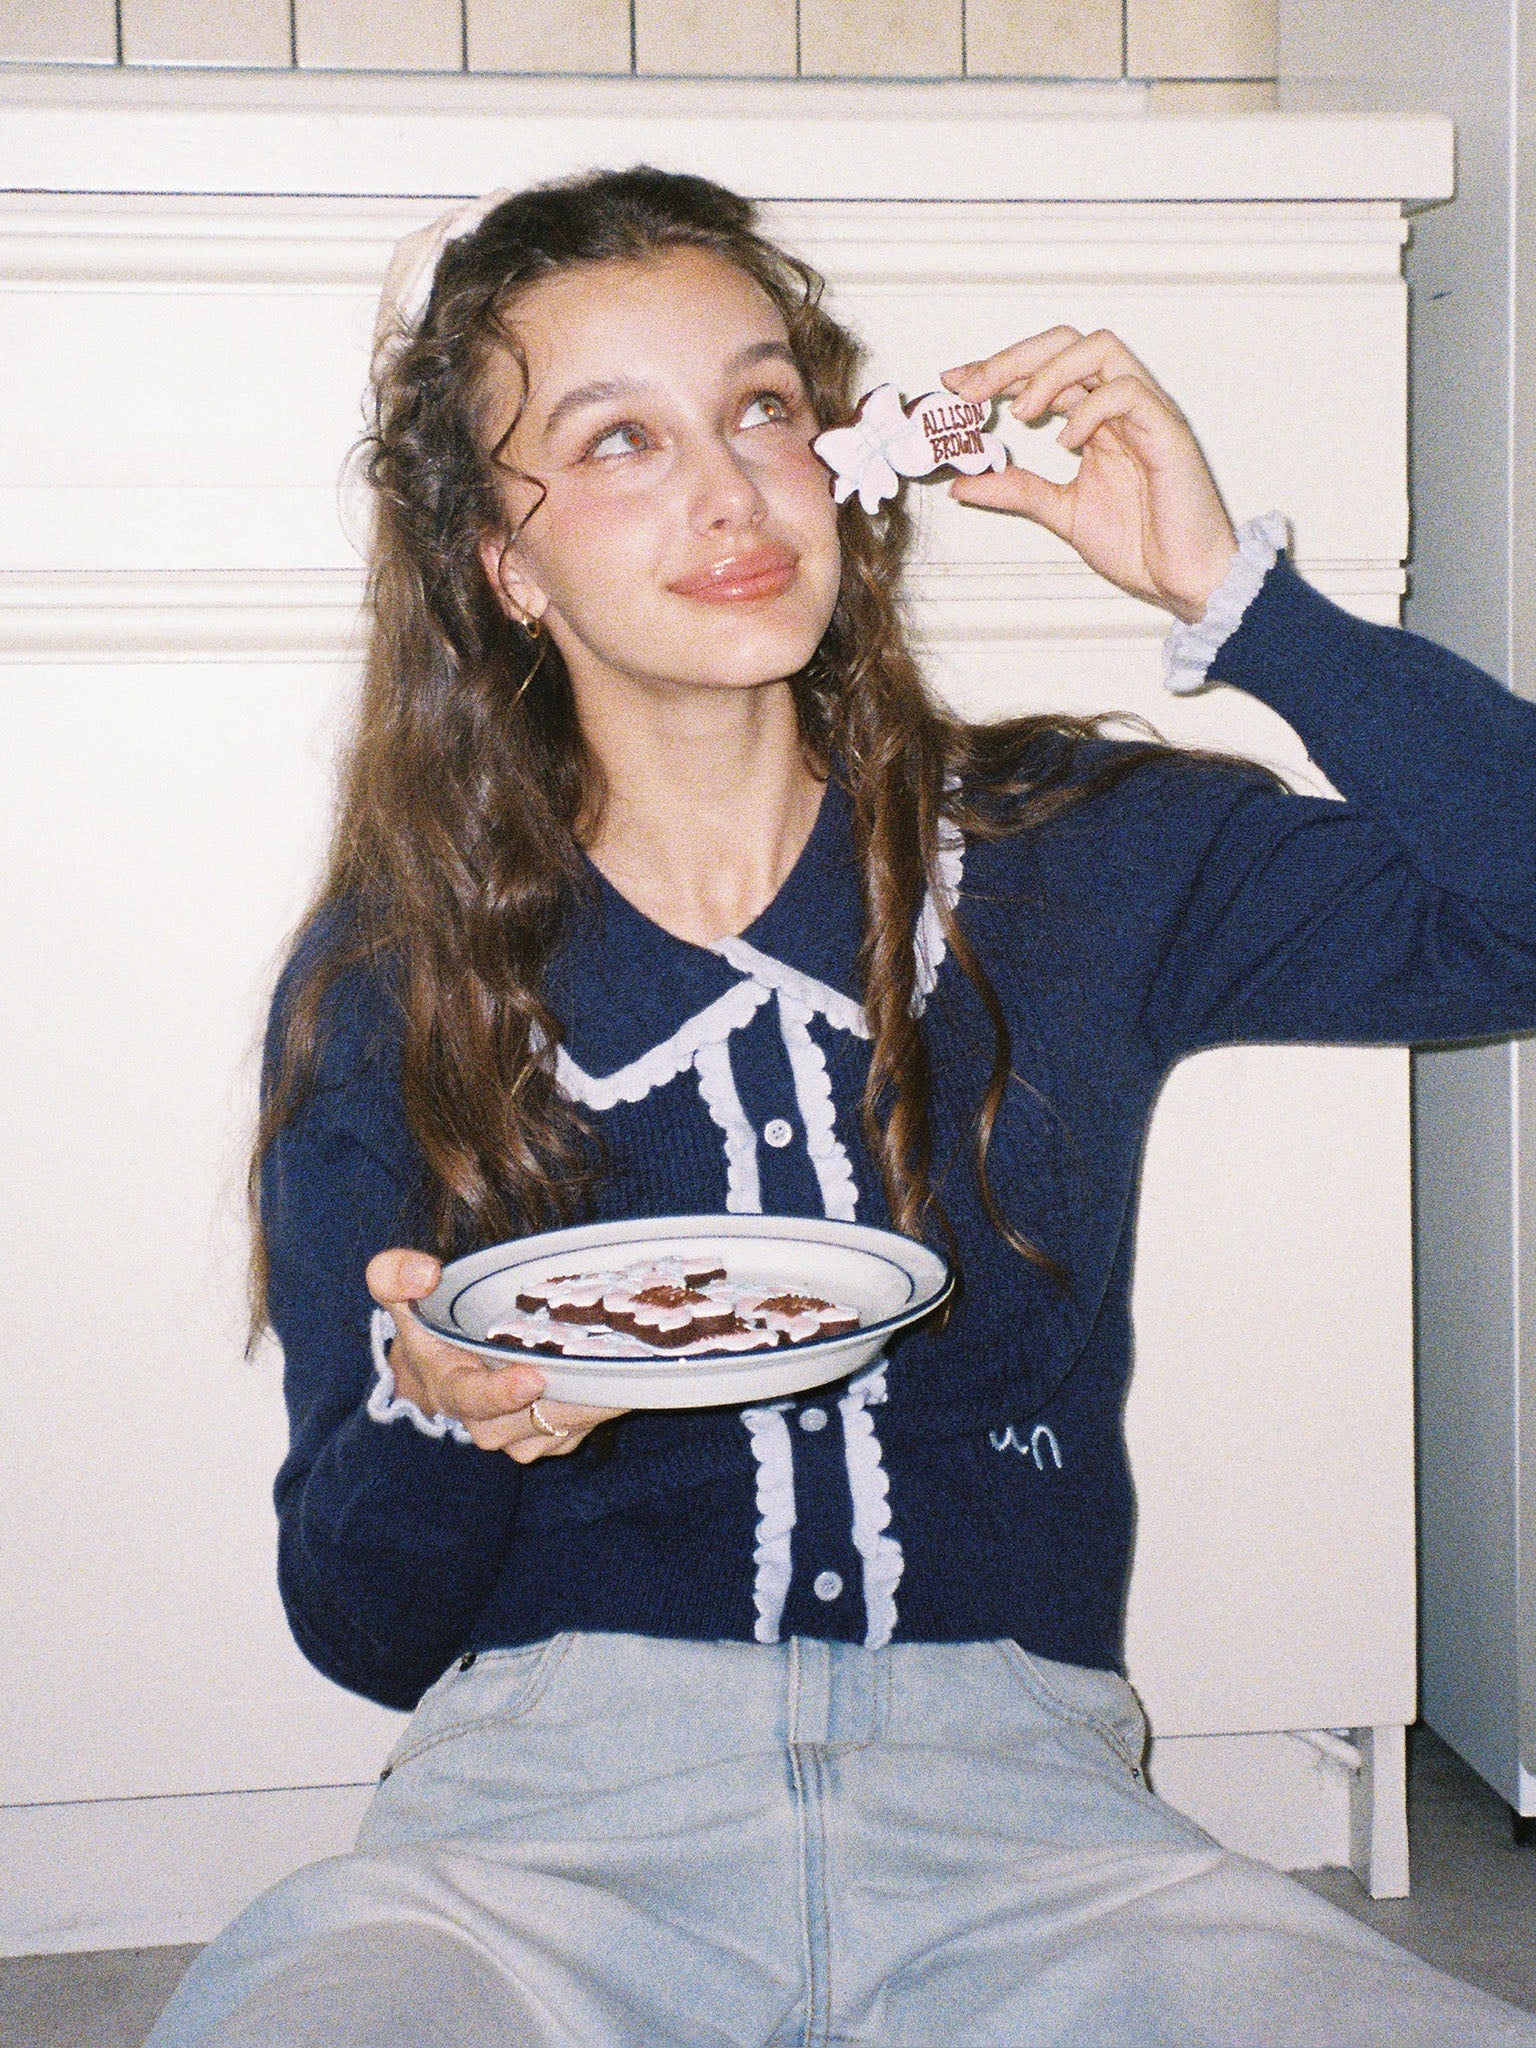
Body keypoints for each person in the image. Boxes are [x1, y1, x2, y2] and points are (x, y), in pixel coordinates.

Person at [149, 166, 1536, 2047]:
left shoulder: (1068, 862)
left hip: (1030, 1826)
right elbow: (361, 1627)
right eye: (619, 440)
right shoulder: (396, 979)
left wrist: (1242, 601)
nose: (731, 490)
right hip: (542, 1829)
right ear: (506, 564)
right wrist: (443, 1417)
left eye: (762, 408)